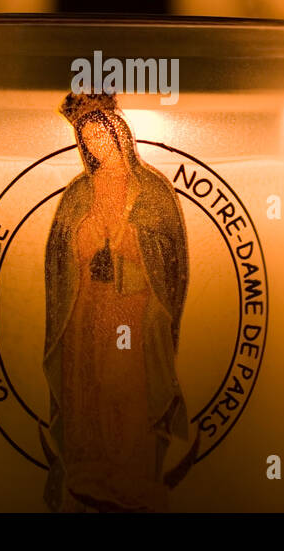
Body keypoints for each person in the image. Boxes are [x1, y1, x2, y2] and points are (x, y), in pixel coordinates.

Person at [41, 90, 193, 511]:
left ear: (119, 134)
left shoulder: (152, 192)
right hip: (87, 312)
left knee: (127, 391)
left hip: (134, 311)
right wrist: (85, 244)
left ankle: (132, 477)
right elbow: (59, 260)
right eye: (87, 139)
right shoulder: (77, 193)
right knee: (90, 391)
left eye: (101, 135)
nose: (96, 145)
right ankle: (89, 472)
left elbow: (168, 259)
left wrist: (130, 247)